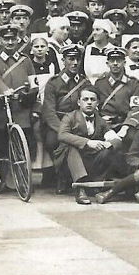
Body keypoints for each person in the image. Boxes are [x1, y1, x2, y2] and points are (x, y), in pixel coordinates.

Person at [55, 88, 127, 204]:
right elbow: (62, 135)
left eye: (92, 100)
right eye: (85, 99)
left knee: (110, 149)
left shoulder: (100, 120)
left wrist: (108, 143)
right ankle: (80, 189)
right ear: (79, 102)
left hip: (90, 162)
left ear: (97, 103)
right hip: (67, 163)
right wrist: (87, 142)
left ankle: (96, 183)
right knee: (71, 147)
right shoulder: (70, 117)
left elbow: (116, 140)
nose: (89, 102)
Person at [0, 24, 39, 178]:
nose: (10, 42)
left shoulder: (25, 60)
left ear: (17, 40)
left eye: (13, 39)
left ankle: (22, 178)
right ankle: (5, 180)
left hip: (22, 109)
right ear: (0, 41)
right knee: (2, 147)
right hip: (2, 109)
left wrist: (30, 95)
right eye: (6, 39)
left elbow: (33, 83)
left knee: (23, 145)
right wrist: (5, 91)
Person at [41, 44, 90, 192]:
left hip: (79, 123)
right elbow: (49, 111)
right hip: (58, 124)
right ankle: (62, 176)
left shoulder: (84, 82)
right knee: (53, 141)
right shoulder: (53, 82)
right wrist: (63, 131)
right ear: (63, 60)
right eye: (71, 59)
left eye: (77, 59)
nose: (75, 63)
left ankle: (72, 177)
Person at [93, 46, 139, 149]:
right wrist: (101, 121)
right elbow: (95, 106)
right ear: (107, 64)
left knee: (132, 138)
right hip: (104, 124)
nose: (115, 63)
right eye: (112, 60)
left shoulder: (133, 83)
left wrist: (125, 127)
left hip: (125, 123)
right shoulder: (100, 83)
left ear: (124, 63)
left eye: (119, 60)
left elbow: (136, 109)